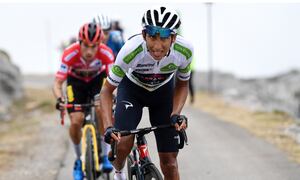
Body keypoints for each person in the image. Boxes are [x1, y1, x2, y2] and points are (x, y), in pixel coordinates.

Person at [99, 6, 193, 180]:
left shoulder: (185, 51)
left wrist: (176, 113)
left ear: (173, 38)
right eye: (152, 37)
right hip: (132, 91)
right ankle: (119, 172)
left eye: (164, 38)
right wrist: (108, 126)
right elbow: (106, 91)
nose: (157, 46)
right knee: (123, 143)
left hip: (163, 93)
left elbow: (182, 85)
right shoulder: (130, 50)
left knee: (170, 163)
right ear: (144, 35)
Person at [53, 22, 115, 180]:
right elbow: (58, 82)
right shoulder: (69, 53)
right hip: (77, 83)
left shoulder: (107, 53)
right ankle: (79, 161)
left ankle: (105, 153)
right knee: (76, 120)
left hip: (97, 81)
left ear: (100, 44)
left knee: (102, 109)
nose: (89, 51)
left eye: (94, 46)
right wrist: (60, 98)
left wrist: (114, 97)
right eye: (86, 46)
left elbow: (114, 81)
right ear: (79, 42)